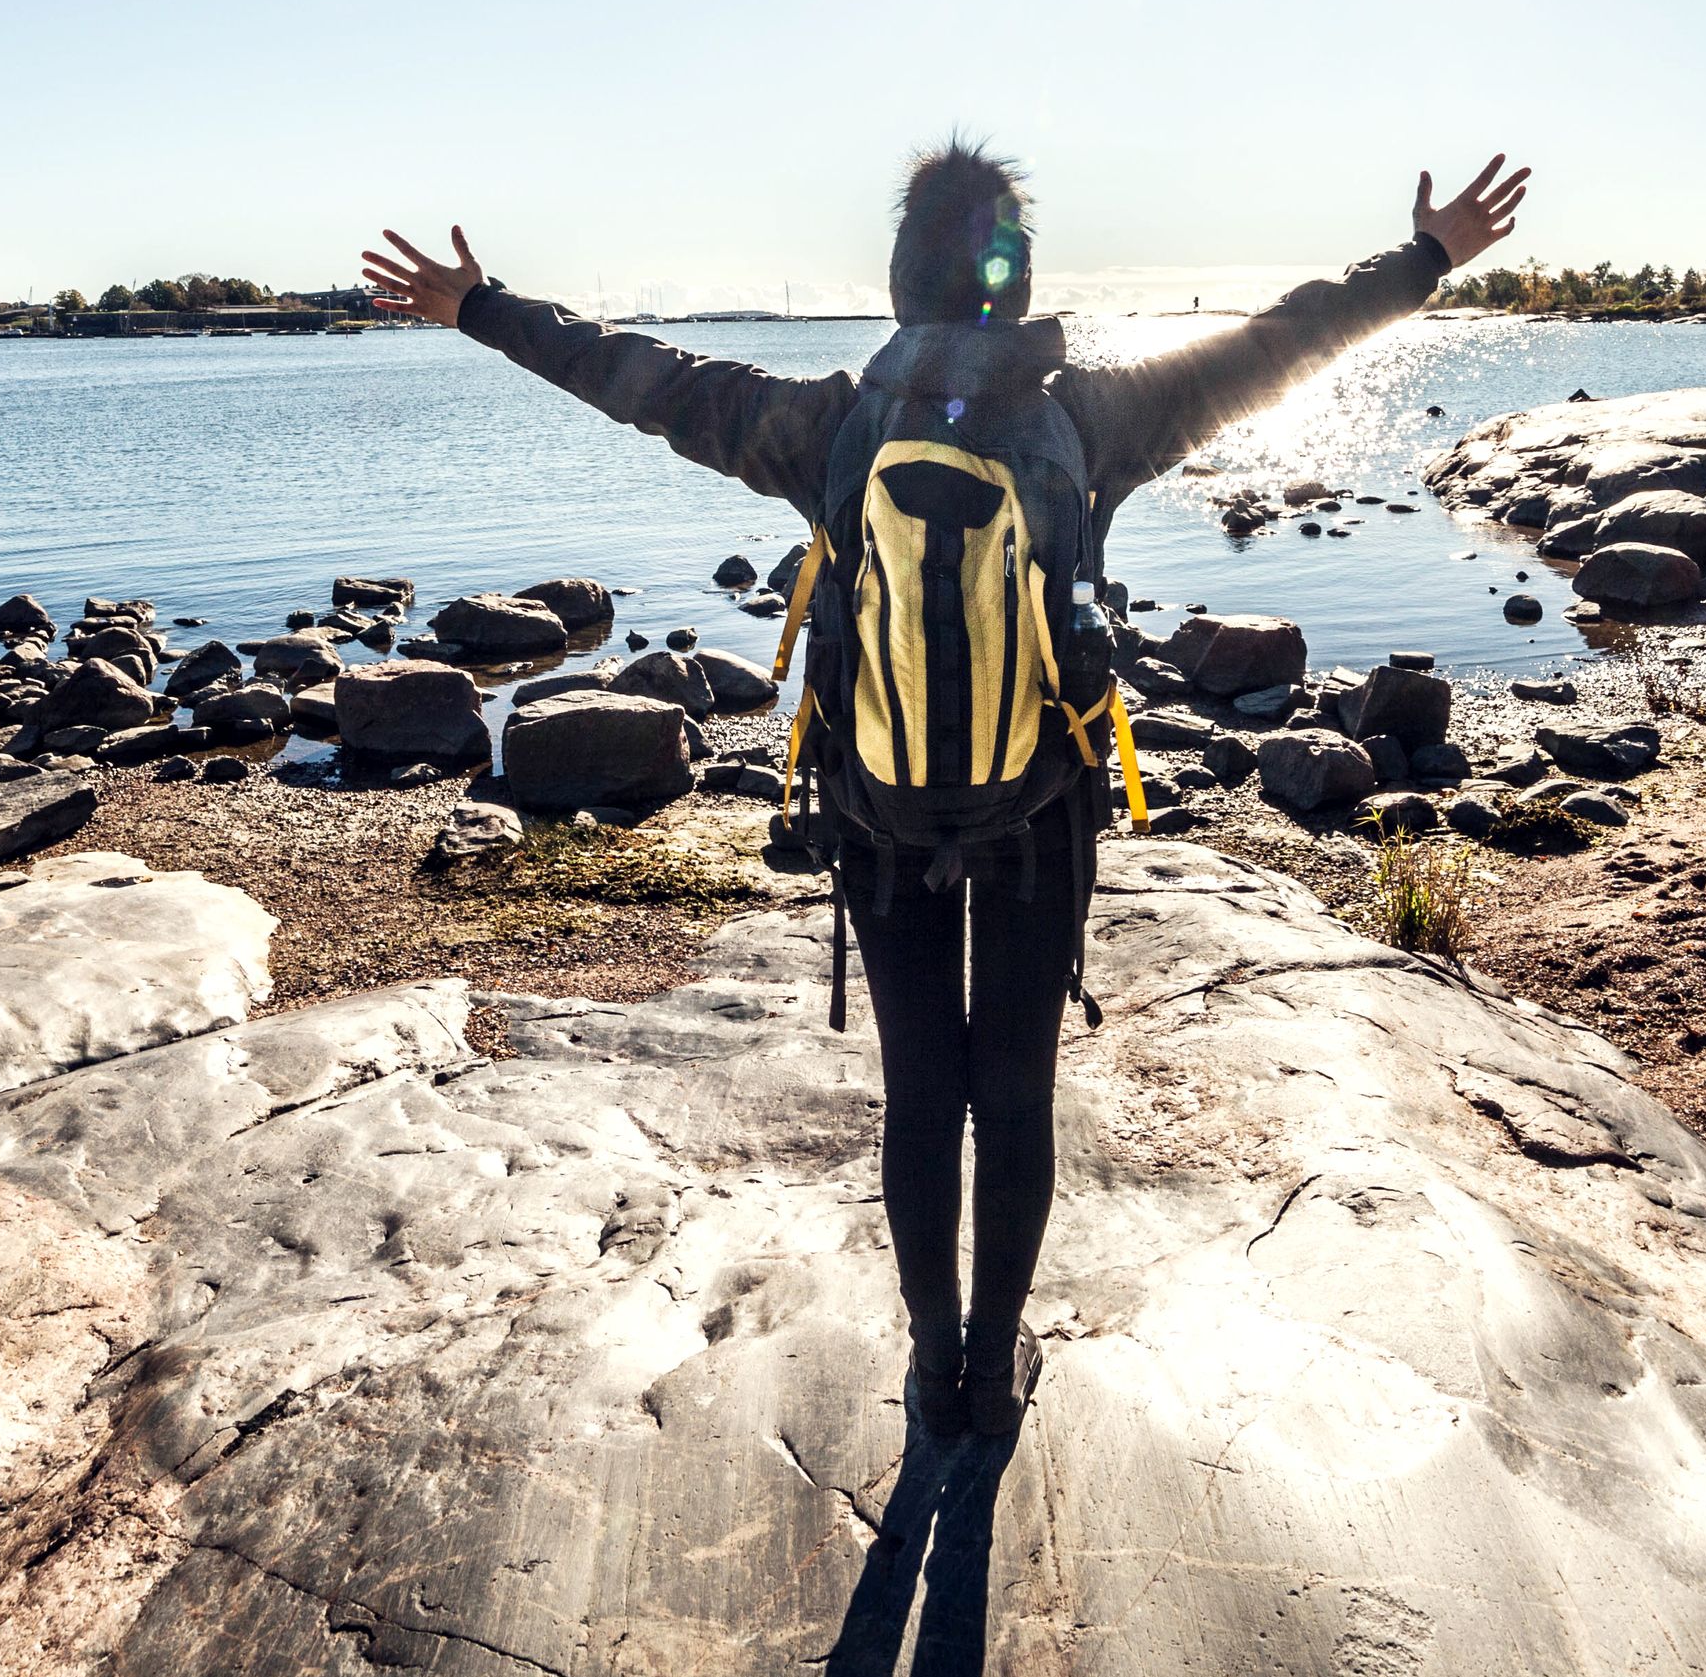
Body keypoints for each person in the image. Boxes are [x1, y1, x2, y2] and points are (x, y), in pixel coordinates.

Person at [362, 144, 1528, 1443]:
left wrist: (480, 307)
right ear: (1017, 280)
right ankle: (995, 1360)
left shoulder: (827, 424)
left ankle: (933, 1373)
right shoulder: (1090, 416)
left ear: (900, 281)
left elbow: (643, 381)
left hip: (877, 811)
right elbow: (1278, 347)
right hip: (1042, 809)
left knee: (922, 1089)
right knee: (1014, 1091)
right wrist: (1421, 262)